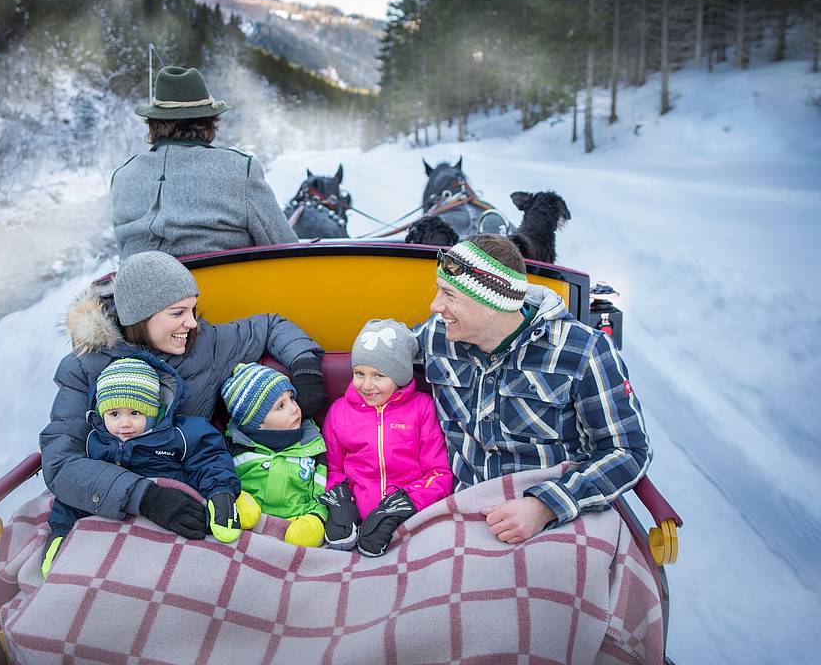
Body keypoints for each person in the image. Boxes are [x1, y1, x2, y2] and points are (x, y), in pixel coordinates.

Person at [40, 250, 326, 543]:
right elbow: (61, 459)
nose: (192, 323)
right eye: (178, 313)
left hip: (191, 487)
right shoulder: (85, 366)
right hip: (108, 498)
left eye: (192, 309)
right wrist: (144, 497)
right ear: (140, 317)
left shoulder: (205, 344)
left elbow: (270, 326)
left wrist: (305, 367)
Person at [416, 235, 651, 544]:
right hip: (462, 509)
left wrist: (545, 506)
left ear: (491, 304)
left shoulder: (585, 351)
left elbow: (628, 451)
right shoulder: (436, 335)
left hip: (557, 518)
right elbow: (382, 356)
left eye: (449, 294)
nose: (435, 306)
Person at [41, 357, 242, 576]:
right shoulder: (93, 443)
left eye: (135, 413)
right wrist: (61, 530)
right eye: (114, 414)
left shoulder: (178, 435)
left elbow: (209, 458)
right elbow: (76, 492)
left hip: (178, 514)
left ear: (154, 411)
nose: (124, 423)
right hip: (119, 520)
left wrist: (220, 492)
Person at [111, 66, 298, 258]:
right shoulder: (241, 168)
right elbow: (283, 247)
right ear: (209, 121)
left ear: (153, 123)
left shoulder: (122, 176)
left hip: (139, 277)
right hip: (219, 277)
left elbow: (123, 250)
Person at [320, 319, 452, 557]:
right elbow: (333, 468)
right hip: (356, 516)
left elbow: (439, 473)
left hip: (411, 515)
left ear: (400, 375)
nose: (366, 385)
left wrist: (401, 506)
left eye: (379, 375)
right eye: (359, 373)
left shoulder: (422, 409)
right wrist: (341, 504)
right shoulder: (340, 411)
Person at [221, 362, 329, 548]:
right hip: (251, 527)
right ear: (257, 423)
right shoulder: (235, 448)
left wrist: (315, 517)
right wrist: (236, 498)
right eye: (281, 406)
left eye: (292, 398)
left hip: (296, 522)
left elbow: (320, 491)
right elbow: (223, 480)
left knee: (302, 539)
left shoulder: (312, 446)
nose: (294, 408)